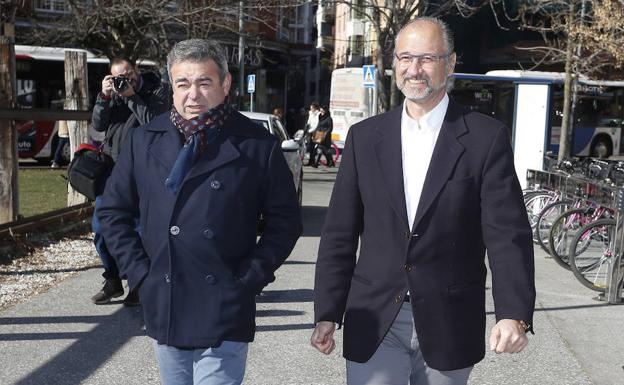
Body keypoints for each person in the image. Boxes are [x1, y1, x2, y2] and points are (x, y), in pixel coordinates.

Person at [310, 17, 535, 385]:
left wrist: (513, 313)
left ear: (451, 63)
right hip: (375, 315)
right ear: (394, 62)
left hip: (450, 318)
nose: (414, 69)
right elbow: (339, 232)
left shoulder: (484, 138)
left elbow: (506, 233)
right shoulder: (364, 138)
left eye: (427, 58)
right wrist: (327, 311)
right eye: (405, 57)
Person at [97, 39, 302, 385]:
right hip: (165, 296)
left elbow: (285, 221)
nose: (193, 94)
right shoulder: (144, 139)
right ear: (171, 87)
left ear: (225, 85)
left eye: (204, 82)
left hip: (224, 301)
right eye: (183, 83)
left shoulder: (257, 145)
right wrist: (141, 275)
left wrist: (250, 278)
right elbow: (113, 212)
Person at [90, 57, 171, 306]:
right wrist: (103, 98)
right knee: (102, 226)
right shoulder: (112, 93)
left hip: (146, 169)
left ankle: (138, 281)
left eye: (128, 74)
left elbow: (154, 124)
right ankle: (113, 279)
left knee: (139, 229)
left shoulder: (157, 89)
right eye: (118, 77)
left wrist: (131, 96)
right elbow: (97, 125)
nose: (125, 80)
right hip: (115, 169)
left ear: (136, 70)